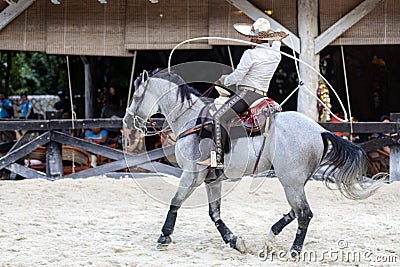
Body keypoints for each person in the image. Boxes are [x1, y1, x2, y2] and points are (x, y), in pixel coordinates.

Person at [198, 18, 288, 168]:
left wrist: (224, 79)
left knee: (219, 116)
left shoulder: (250, 54)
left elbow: (238, 75)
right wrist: (277, 40)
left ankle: (218, 158)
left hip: (247, 95)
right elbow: (277, 46)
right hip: (262, 95)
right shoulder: (275, 55)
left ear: (254, 38)